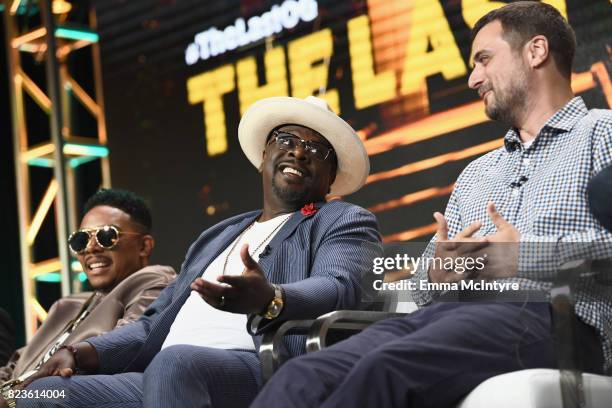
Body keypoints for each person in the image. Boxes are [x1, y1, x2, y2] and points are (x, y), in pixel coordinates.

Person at [250, 2, 612, 407]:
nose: (473, 78)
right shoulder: (478, 173)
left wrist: (523, 257)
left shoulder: (602, 134)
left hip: (561, 321)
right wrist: (438, 274)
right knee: (302, 375)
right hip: (448, 320)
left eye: (484, 60)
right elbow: (422, 289)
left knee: (386, 368)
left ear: (536, 51)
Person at [20, 95, 382, 407]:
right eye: (286, 139)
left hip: (266, 368)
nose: (300, 152)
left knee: (175, 364)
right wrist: (81, 353)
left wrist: (271, 298)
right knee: (43, 394)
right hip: (166, 376)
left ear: (331, 176)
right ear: (263, 155)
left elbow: (340, 285)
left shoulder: (343, 218)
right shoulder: (217, 235)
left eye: (317, 150)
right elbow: (150, 328)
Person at [0, 189, 176, 406]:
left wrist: (11, 399)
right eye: (81, 240)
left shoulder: (154, 280)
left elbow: (130, 339)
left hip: (55, 393)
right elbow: (16, 364)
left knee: (43, 391)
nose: (91, 248)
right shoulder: (67, 305)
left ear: (144, 246)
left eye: (106, 236)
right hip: (24, 395)